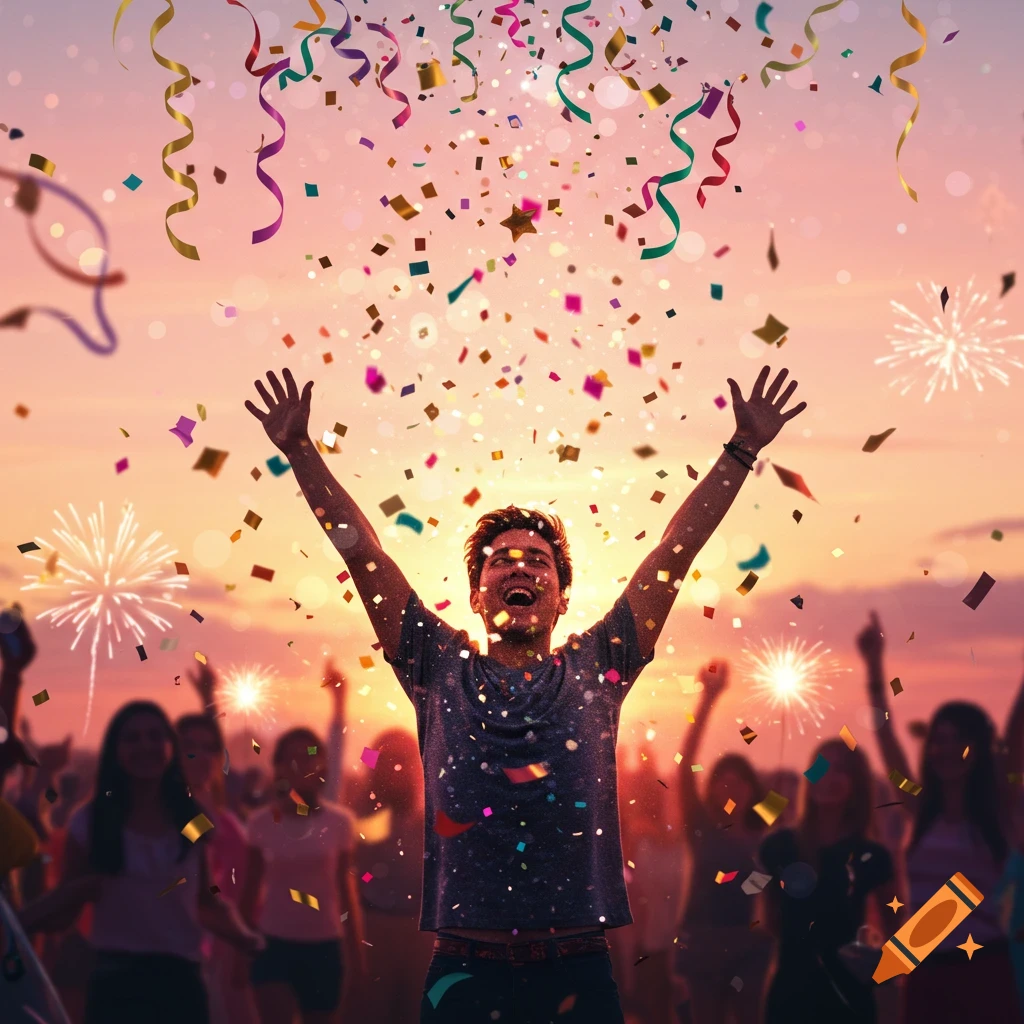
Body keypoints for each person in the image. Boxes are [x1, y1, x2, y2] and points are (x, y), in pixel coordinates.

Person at [245, 363, 806, 1022]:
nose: (519, 566)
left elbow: (674, 551)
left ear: (563, 598)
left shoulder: (600, 665)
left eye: (537, 560)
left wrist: (741, 451)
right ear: (477, 597)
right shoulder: (436, 666)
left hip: (577, 969)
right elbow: (362, 550)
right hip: (463, 972)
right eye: (500, 560)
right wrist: (301, 451)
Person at [19, 701, 262, 1024]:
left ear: (170, 748)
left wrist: (246, 938)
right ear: (115, 751)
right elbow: (67, 905)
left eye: (154, 737)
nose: (144, 746)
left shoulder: (191, 821)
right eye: (132, 739)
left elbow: (205, 901)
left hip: (182, 983)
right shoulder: (91, 822)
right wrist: (20, 921)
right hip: (116, 982)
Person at [858, 612, 1023, 1023]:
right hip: (926, 973)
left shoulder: (1000, 812)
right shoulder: (920, 808)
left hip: (983, 972)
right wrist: (874, 664)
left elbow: (1017, 735)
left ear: (979, 749)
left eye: (958, 741)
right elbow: (884, 735)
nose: (946, 750)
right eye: (939, 740)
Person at [759, 737, 892, 1024]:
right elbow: (768, 922)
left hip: (848, 998)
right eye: (821, 767)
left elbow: (894, 928)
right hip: (790, 995)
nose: (829, 777)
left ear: (857, 782)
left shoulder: (873, 856)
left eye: (841, 769)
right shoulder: (779, 847)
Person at [240, 726, 366, 1024]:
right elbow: (249, 889)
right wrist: (239, 953)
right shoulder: (260, 823)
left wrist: (356, 955)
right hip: (272, 943)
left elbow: (346, 892)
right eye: (291, 757)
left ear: (320, 763)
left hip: (324, 946)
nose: (301, 764)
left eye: (309, 755)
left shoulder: (339, 823)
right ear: (278, 766)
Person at [674, 661, 769, 1024]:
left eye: (738, 783)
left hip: (748, 945)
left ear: (752, 791)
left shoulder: (763, 839)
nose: (730, 790)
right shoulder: (702, 830)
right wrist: (708, 698)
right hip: (703, 943)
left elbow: (763, 889)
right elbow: (684, 769)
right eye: (723, 782)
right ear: (711, 789)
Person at [178, 662, 257, 1024]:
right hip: (180, 952)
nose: (201, 755)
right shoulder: (169, 815)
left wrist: (208, 698)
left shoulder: (220, 815)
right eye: (188, 747)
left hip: (224, 954)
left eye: (209, 748)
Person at [350, 727, 435, 1024]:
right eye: (388, 759)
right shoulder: (361, 814)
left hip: (420, 934)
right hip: (372, 929)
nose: (396, 766)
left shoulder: (428, 817)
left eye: (403, 759)